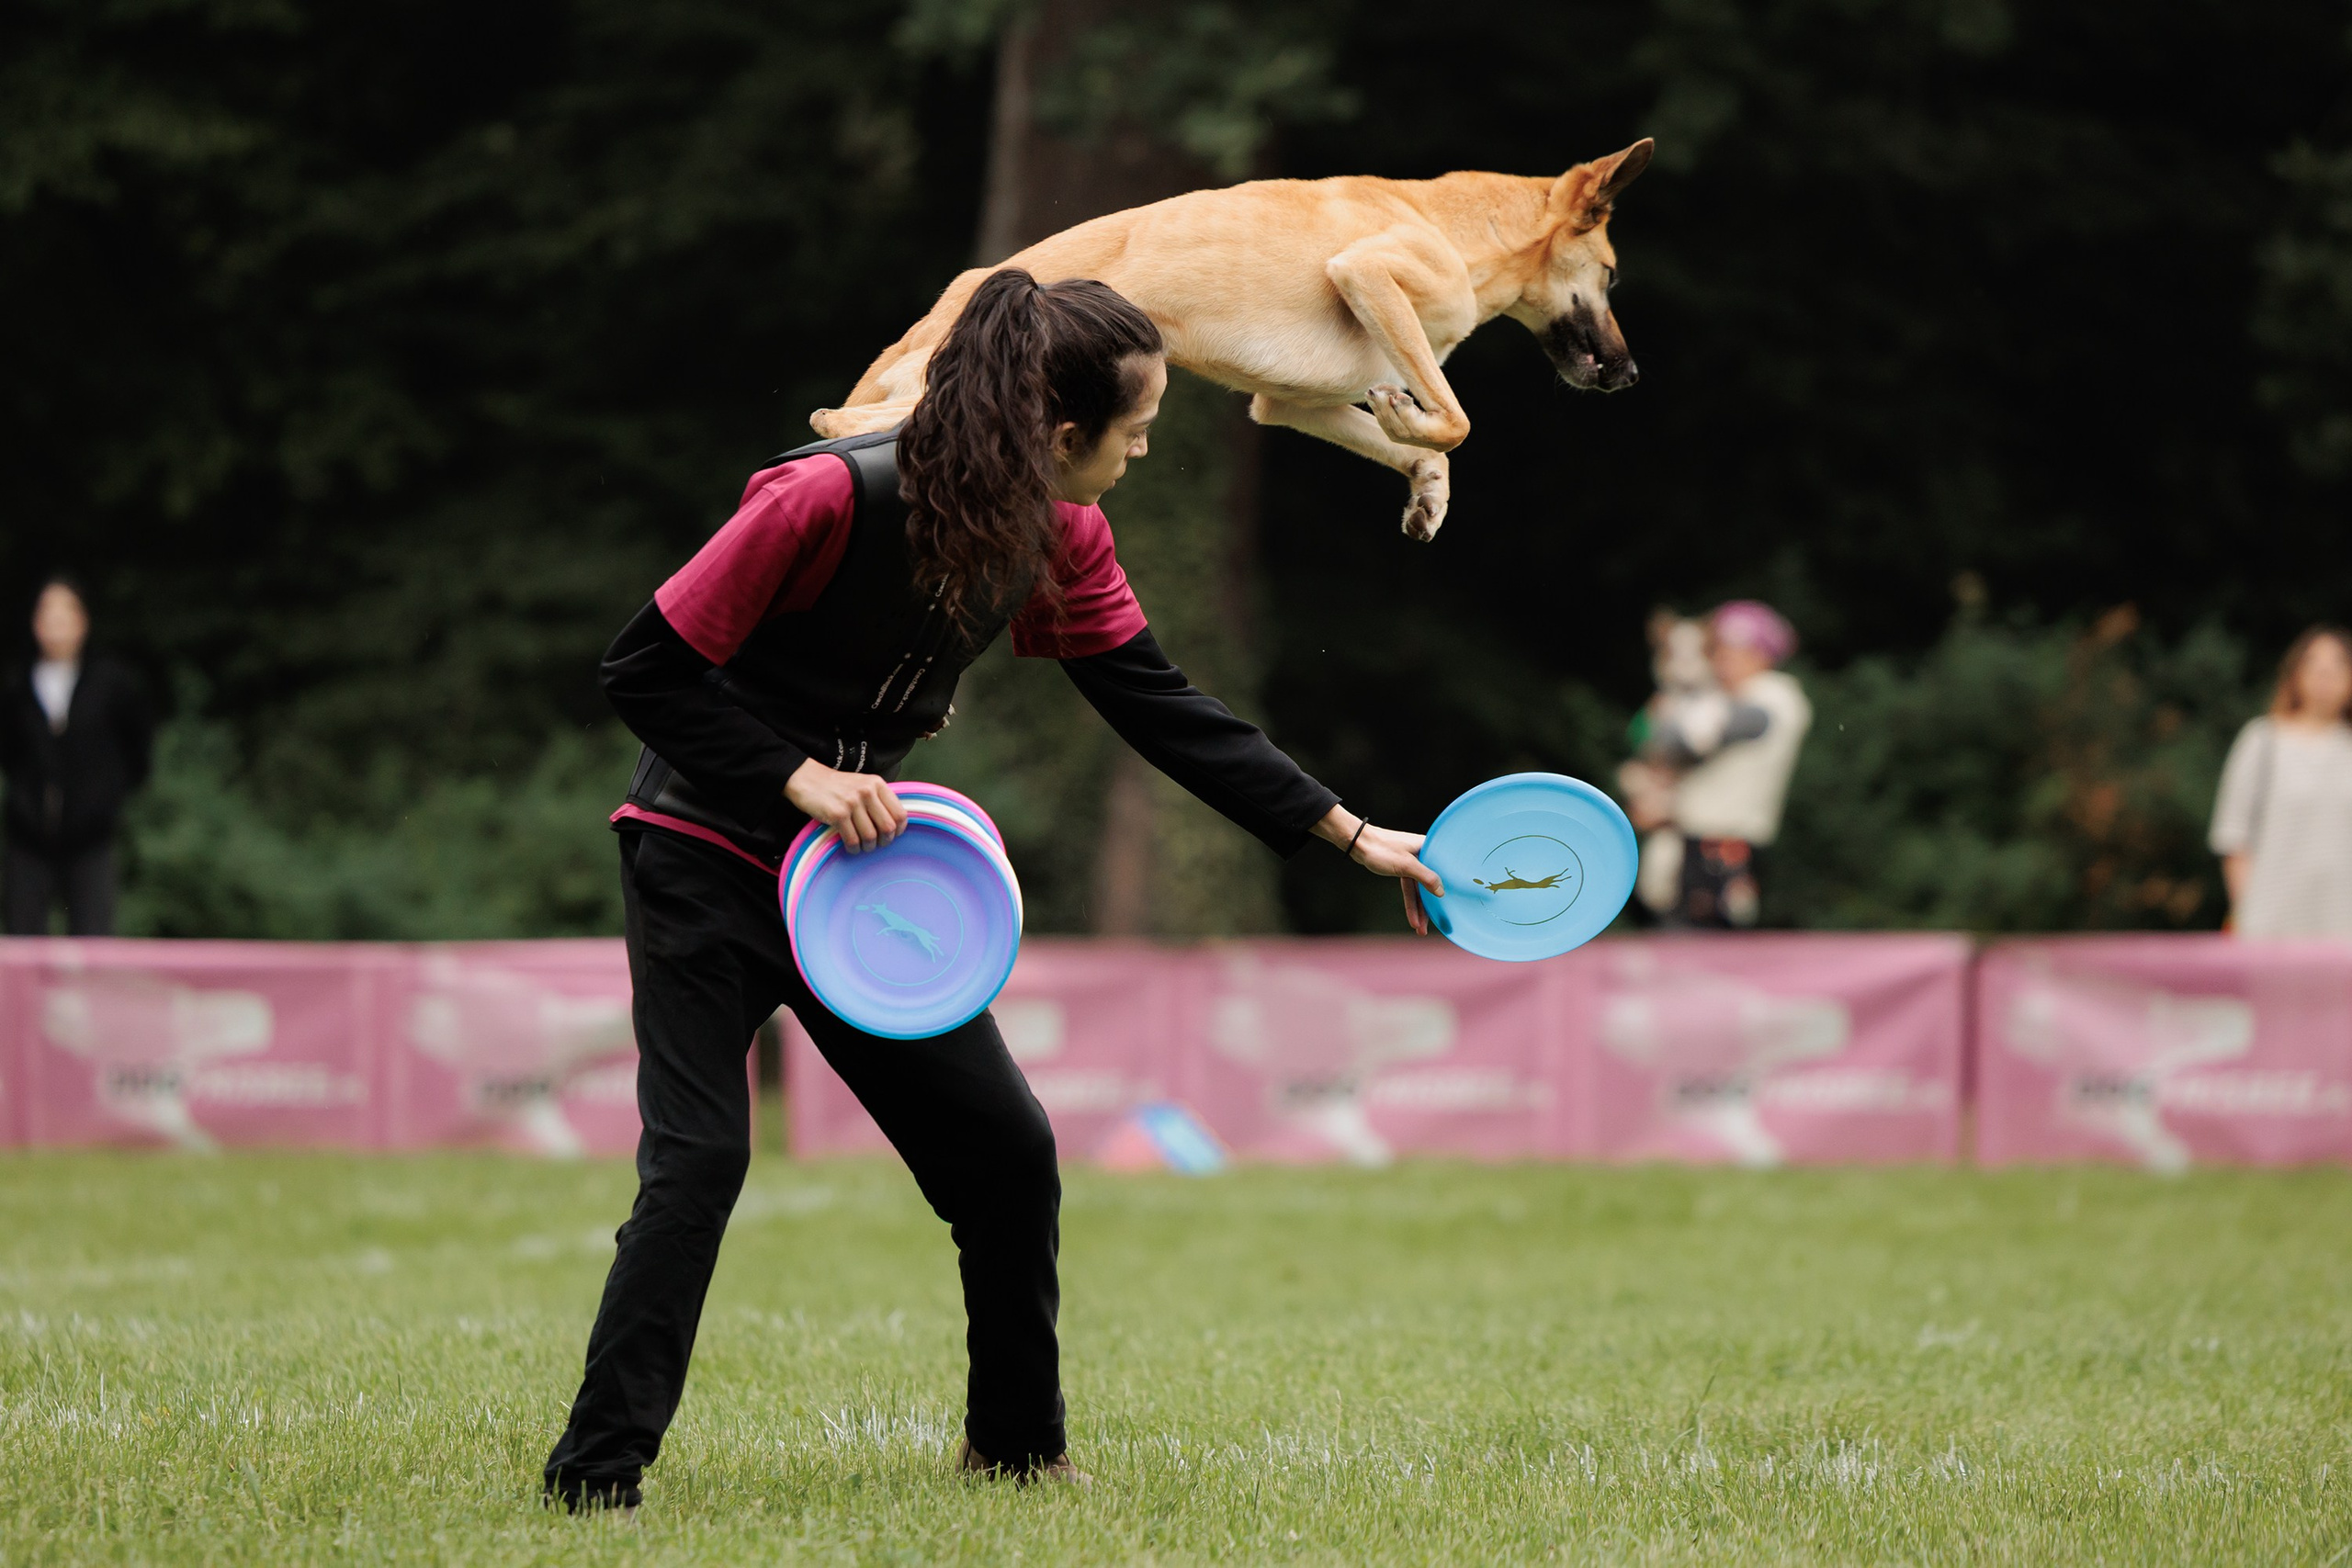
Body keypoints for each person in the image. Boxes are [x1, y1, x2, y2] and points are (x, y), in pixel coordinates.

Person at [543, 270, 1442, 1510]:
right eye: (1136, 429)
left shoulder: (1061, 530)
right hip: (704, 850)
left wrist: (1343, 831)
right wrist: (798, 774)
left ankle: (1015, 1451)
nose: (1143, 450)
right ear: (1065, 433)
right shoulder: (825, 493)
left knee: (1007, 1154)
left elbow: (1156, 702)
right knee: (697, 1164)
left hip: (858, 879)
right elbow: (643, 670)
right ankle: (597, 1476)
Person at [1623, 600, 1810, 928]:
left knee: (1704, 943)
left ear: (1762, 654)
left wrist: (1665, 719)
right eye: (1718, 650)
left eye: (1733, 650)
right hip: (1691, 842)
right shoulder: (1726, 696)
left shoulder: (1774, 694)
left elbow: (1687, 735)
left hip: (1725, 847)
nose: (1722, 659)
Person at [2, 577, 153, 936]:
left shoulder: (111, 683)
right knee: (22, 939)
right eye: (47, 611)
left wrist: (105, 801)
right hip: (28, 837)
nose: (56, 621)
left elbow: (138, 749)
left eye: (65, 611)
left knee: (93, 939)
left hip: (91, 837)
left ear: (83, 620)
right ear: (35, 622)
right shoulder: (16, 685)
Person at [2210, 625, 2352, 938]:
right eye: (2314, 663)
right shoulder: (2263, 741)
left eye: (2338, 664)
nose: (2325, 674)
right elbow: (2233, 837)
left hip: (2344, 930)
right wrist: (2249, 914)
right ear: (2295, 673)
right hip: (2272, 930)